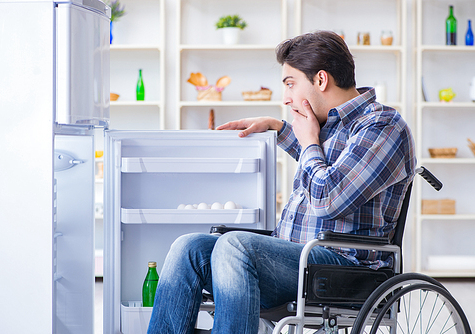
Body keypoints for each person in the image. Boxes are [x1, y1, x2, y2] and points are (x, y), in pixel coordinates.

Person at [147, 30, 416, 334]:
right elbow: (328, 164)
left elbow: (330, 199)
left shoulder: (383, 126)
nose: (286, 97)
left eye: (290, 84)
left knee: (235, 245)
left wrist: (310, 140)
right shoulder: (327, 124)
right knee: (189, 247)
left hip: (343, 269)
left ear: (321, 80)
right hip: (297, 262)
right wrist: (279, 128)